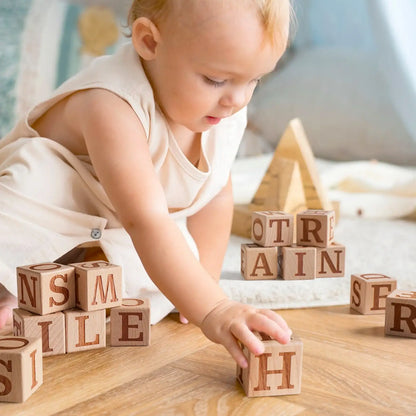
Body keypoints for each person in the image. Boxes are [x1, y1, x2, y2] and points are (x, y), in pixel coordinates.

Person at [0, 0, 292, 368]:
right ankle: (8, 285)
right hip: (50, 205)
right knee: (31, 190)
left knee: (170, 260)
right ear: (150, 43)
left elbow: (216, 193)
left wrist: (207, 288)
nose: (237, 99)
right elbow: (147, 220)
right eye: (216, 80)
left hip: (111, 222)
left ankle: (52, 292)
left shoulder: (224, 107)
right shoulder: (111, 104)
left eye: (254, 80)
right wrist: (214, 309)